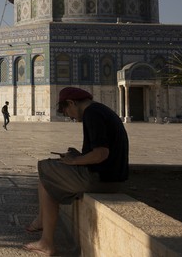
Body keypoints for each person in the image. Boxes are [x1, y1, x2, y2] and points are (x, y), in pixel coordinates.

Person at [24, 87, 129, 256]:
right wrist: (77, 155)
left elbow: (102, 153)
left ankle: (46, 240)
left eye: (67, 112)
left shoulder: (92, 114)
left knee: (45, 169)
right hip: (111, 176)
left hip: (101, 179)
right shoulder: (101, 110)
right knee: (51, 173)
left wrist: (74, 161)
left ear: (72, 103)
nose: (71, 117)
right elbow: (101, 152)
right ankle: (42, 226)